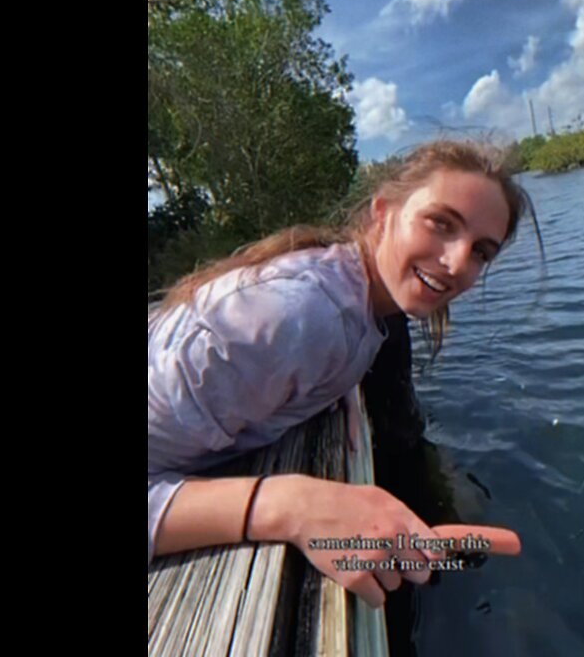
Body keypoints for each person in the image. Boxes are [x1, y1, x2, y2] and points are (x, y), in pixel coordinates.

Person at [148, 140, 527, 608]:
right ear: (383, 211)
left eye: (480, 252)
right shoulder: (297, 317)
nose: (456, 263)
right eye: (441, 223)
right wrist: (289, 506)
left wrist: (335, 385)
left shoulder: (353, 295)